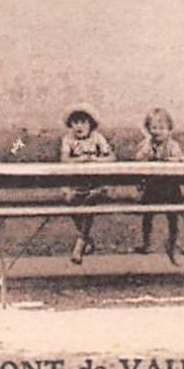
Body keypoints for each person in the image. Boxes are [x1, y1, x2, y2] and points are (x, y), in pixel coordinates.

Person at [60, 103, 115, 265]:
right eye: (75, 122)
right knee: (71, 200)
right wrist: (78, 160)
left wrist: (96, 160)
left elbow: (111, 158)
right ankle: (85, 238)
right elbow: (64, 159)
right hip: (77, 184)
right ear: (70, 125)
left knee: (91, 199)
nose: (79, 126)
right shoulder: (68, 139)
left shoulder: (97, 138)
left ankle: (80, 243)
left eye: (83, 122)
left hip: (95, 183)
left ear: (91, 124)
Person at [132, 107, 184, 266]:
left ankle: (172, 243)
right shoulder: (147, 144)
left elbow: (181, 159)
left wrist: (172, 161)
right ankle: (146, 241)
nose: (158, 132)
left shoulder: (172, 145)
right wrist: (145, 155)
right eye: (154, 128)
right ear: (148, 129)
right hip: (152, 187)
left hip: (170, 187)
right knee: (147, 215)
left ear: (169, 130)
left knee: (173, 217)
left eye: (162, 128)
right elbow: (138, 158)